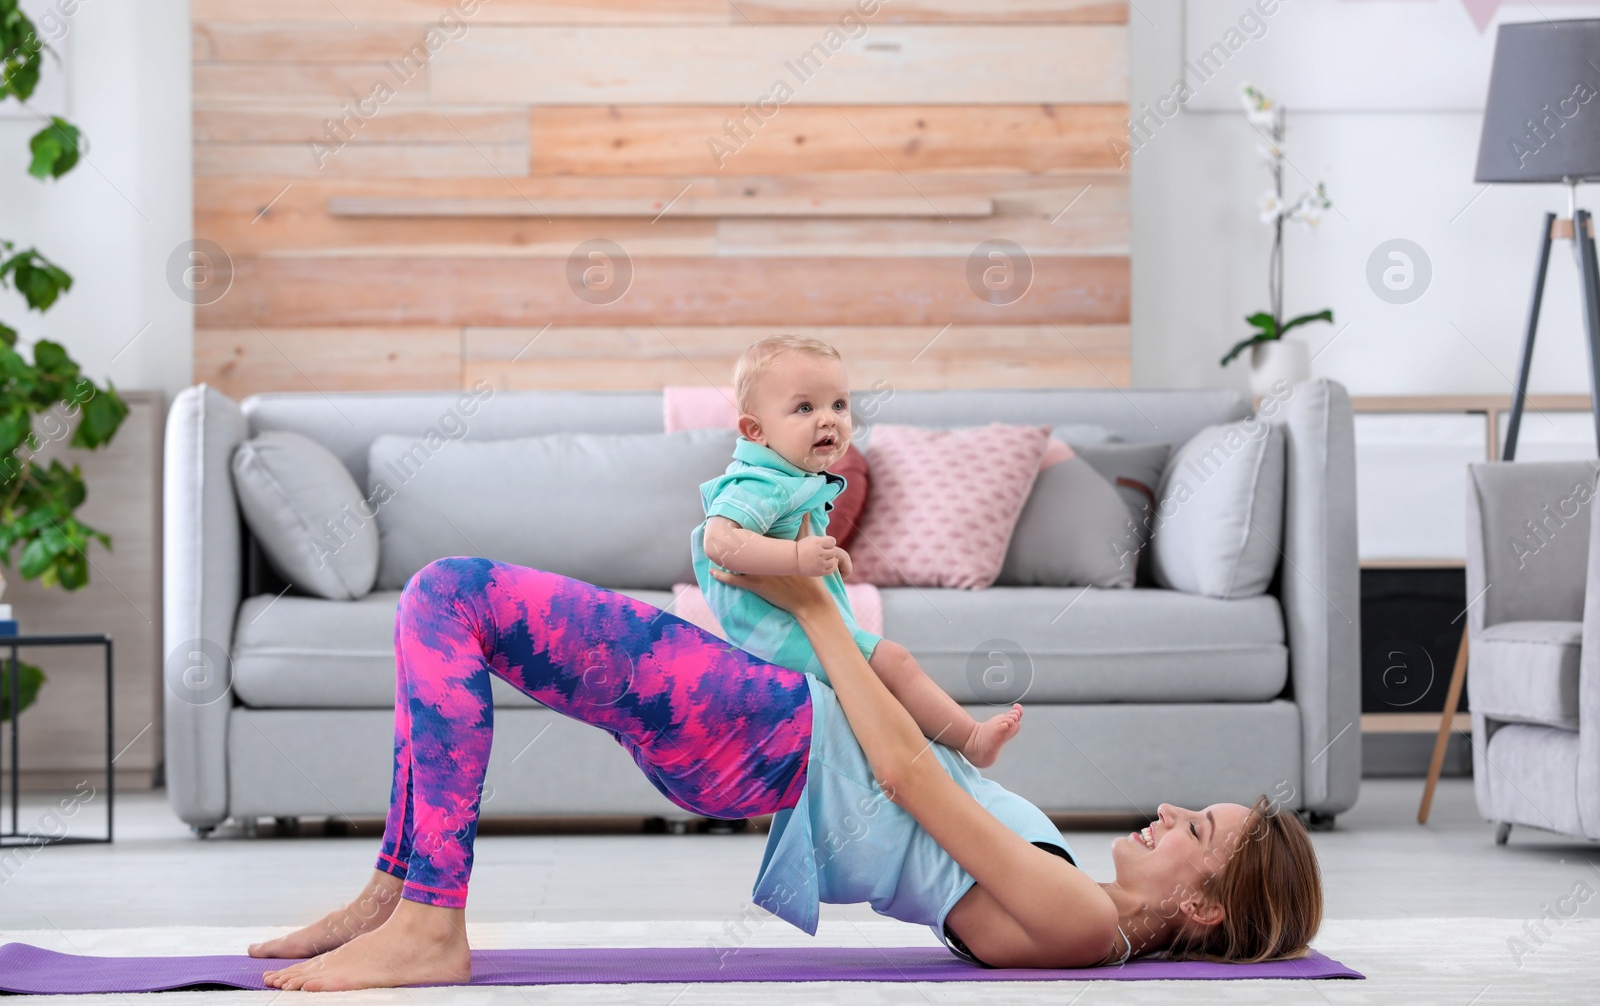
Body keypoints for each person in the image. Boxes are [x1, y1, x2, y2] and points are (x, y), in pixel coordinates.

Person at [248, 551, 1323, 992]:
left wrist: (820, 615)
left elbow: (905, 776)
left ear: (1200, 896)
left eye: (1198, 828)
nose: (1171, 810)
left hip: (765, 733)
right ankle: (401, 886)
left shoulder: (1083, 924)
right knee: (446, 602)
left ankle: (431, 915)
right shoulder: (1079, 900)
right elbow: (923, 764)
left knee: (451, 592)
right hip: (766, 730)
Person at [694, 333, 1022, 767]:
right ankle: (970, 740)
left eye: (839, 405)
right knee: (892, 662)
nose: (829, 420)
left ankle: (932, 763)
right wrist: (797, 559)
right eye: (805, 408)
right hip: (774, 634)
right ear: (756, 430)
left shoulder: (793, 478)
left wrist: (826, 559)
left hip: (791, 622)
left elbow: (789, 540)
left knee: (878, 691)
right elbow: (719, 540)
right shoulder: (761, 481)